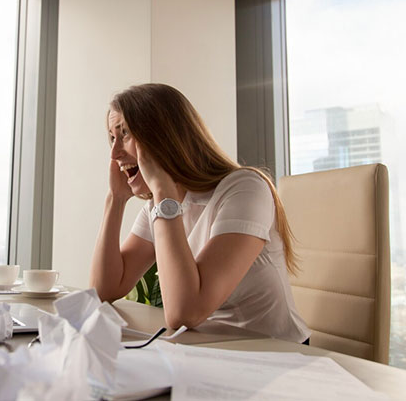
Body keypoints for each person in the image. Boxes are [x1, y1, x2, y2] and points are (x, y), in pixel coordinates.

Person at [89, 83, 310, 344]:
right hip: (208, 350)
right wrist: (115, 200)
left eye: (124, 134)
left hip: (274, 354)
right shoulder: (160, 206)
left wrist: (162, 194)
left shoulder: (244, 189)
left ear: (162, 137)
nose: (114, 153)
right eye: (111, 138)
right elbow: (104, 289)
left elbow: (185, 313)